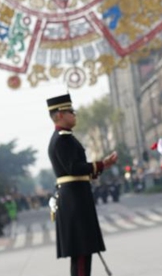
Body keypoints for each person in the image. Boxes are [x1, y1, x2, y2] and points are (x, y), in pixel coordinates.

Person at [47, 93, 117, 276]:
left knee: (84, 254)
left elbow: (77, 171)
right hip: (73, 202)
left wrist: (102, 166)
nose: (74, 114)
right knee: (81, 254)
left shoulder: (66, 137)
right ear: (60, 115)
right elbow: (73, 168)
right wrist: (101, 164)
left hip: (76, 198)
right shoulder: (62, 139)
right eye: (70, 111)